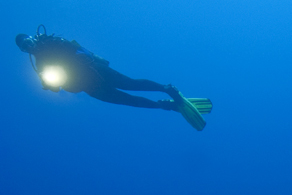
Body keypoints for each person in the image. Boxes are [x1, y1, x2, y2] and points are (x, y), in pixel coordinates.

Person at [15, 25, 212, 130]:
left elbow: (78, 48)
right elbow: (55, 86)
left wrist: (81, 56)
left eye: (28, 42)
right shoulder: (40, 65)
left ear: (32, 37)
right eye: (24, 47)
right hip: (90, 88)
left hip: (95, 71)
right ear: (24, 51)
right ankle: (165, 106)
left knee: (131, 84)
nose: (28, 46)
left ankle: (167, 88)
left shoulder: (53, 41)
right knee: (130, 101)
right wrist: (50, 85)